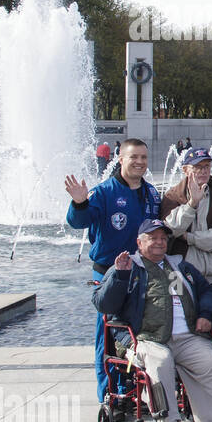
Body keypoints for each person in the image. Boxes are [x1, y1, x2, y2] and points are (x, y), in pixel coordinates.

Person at [94, 219, 212, 422]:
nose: (159, 242)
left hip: (186, 336)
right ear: (140, 242)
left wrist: (206, 314)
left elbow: (207, 292)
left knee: (210, 359)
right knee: (160, 362)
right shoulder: (129, 266)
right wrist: (119, 276)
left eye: (163, 238)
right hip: (148, 338)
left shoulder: (179, 268)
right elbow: (104, 304)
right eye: (153, 238)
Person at [65, 137, 164, 403]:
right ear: (120, 159)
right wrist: (79, 203)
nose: (139, 162)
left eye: (143, 157)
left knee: (135, 335)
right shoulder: (104, 192)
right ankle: (110, 393)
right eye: (134, 157)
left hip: (142, 274)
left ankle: (133, 390)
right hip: (110, 273)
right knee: (108, 334)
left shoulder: (151, 193)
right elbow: (79, 221)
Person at [161, 147, 212, 349]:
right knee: (181, 328)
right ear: (186, 169)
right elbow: (170, 230)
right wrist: (191, 204)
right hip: (181, 275)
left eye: (206, 166)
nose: (203, 171)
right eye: (197, 167)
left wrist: (190, 237)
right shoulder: (172, 197)